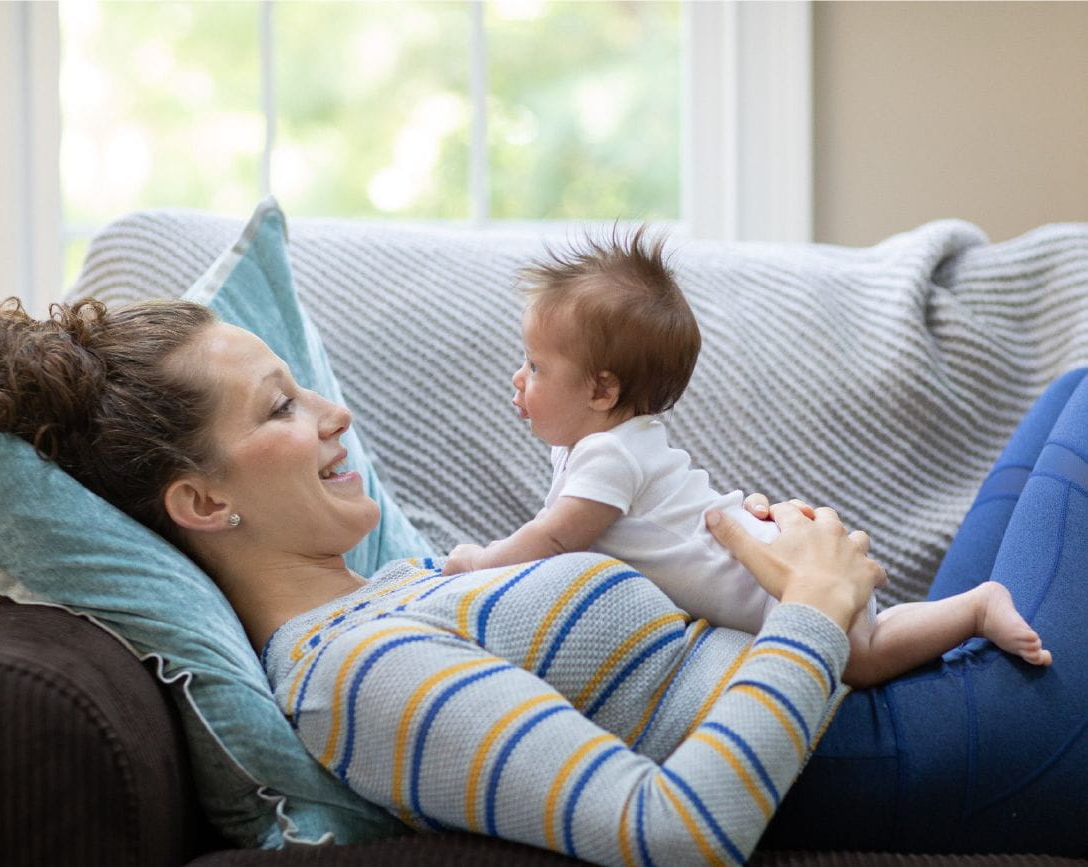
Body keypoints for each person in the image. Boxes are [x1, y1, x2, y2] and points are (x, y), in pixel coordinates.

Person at [0, 296, 1086, 862]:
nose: (335, 415)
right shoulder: (358, 678)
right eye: (282, 408)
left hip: (904, 693)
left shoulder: (397, 588)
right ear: (202, 503)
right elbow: (673, 831)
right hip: (926, 757)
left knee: (1065, 391)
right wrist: (811, 609)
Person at [441, 230, 1050, 687]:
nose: (519, 379)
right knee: (871, 640)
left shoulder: (608, 455)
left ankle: (973, 608)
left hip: (773, 583)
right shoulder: (608, 445)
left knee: (861, 658)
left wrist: (480, 562)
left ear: (603, 390)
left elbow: (552, 542)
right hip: (771, 560)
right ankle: (963, 610)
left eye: (537, 367)